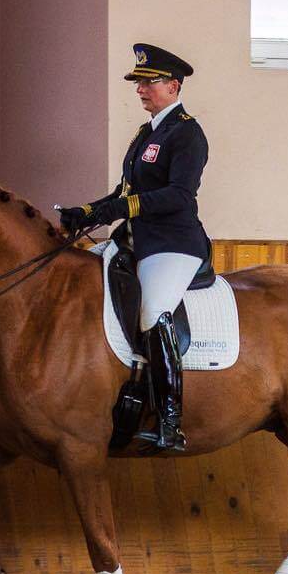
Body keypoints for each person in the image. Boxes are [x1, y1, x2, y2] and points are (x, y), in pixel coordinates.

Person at [61, 43, 211, 453]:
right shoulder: (146, 133)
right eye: (139, 84)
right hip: (136, 240)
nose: (141, 90)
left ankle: (170, 420)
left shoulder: (187, 133)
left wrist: (125, 207)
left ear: (173, 86)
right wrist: (88, 212)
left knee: (154, 311)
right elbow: (125, 192)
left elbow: (179, 195)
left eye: (148, 83)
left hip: (173, 243)